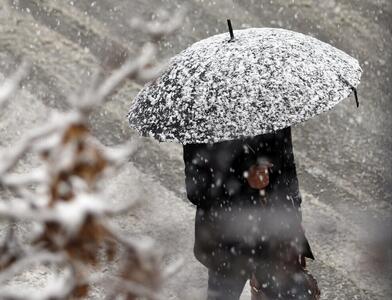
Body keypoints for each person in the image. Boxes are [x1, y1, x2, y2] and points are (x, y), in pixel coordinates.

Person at [183, 127, 320, 300]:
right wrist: (244, 179)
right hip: (228, 241)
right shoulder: (204, 119)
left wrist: (295, 220)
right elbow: (196, 190)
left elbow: (287, 167)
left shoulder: (271, 106)